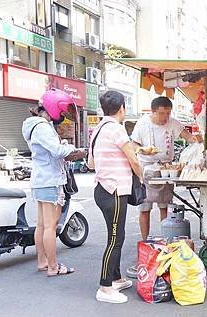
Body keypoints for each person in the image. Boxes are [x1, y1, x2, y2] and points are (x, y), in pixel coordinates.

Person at [126, 96, 201, 278]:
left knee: (164, 206)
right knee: (144, 208)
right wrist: (142, 150)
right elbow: (134, 144)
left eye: (168, 113)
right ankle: (145, 242)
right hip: (145, 168)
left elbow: (187, 136)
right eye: (162, 113)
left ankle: (164, 241)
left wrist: (196, 139)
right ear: (153, 112)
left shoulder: (173, 123)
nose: (165, 117)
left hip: (166, 168)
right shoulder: (143, 124)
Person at [22, 89, 84, 277]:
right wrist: (74, 149)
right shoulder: (42, 126)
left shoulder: (32, 125)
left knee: (41, 225)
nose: (63, 117)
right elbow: (57, 151)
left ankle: (43, 262)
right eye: (62, 112)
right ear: (53, 108)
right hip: (50, 180)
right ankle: (53, 266)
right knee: (50, 226)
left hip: (40, 180)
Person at [88, 91, 143, 304]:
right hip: (115, 191)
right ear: (122, 109)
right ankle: (104, 286)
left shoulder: (98, 129)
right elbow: (134, 160)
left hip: (102, 189)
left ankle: (116, 278)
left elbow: (91, 164)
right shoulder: (117, 129)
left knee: (116, 235)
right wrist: (142, 177)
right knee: (115, 239)